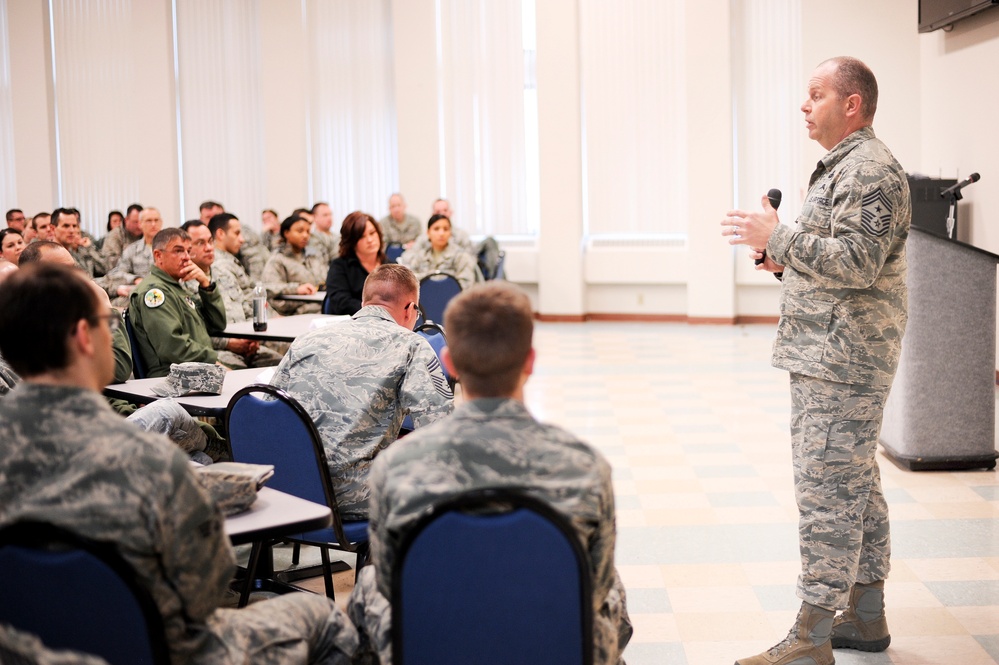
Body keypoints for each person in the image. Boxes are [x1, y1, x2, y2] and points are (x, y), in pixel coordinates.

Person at [0, 263, 359, 664]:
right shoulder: (146, 460)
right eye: (109, 322)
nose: (115, 332)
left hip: (32, 649)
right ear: (84, 336)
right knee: (324, 617)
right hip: (163, 650)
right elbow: (208, 585)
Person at [721, 56, 909, 665]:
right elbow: (833, 255)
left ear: (851, 104)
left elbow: (857, 263)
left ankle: (812, 636)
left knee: (827, 488)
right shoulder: (841, 167)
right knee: (855, 481)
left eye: (816, 94)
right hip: (831, 349)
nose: (805, 105)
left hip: (845, 359)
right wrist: (783, 261)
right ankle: (863, 612)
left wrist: (776, 237)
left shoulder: (872, 171)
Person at [347, 282, 633, 665]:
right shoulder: (585, 468)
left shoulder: (395, 467)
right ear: (530, 361)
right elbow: (594, 592)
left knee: (366, 585)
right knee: (612, 587)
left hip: (436, 646)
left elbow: (389, 582)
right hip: (547, 647)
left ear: (449, 363)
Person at [270, 264, 453, 519]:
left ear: (364, 302)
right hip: (351, 494)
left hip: (289, 488)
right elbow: (439, 430)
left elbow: (270, 408)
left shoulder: (307, 340)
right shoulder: (411, 346)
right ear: (411, 309)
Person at [128, 227, 227, 378]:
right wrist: (213, 360)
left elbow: (217, 324)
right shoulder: (155, 292)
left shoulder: (174, 287)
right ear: (158, 255)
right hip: (174, 377)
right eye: (178, 251)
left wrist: (206, 285)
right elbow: (172, 347)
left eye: (188, 251)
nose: (187, 257)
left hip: (198, 368)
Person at [261, 214, 327, 316]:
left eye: (308, 232)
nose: (305, 235)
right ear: (286, 233)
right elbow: (269, 288)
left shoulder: (313, 257)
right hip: (295, 314)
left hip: (320, 309)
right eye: (300, 231)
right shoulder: (278, 259)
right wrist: (296, 289)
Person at [324, 211, 385, 315]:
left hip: (388, 325)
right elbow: (342, 303)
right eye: (362, 236)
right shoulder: (339, 266)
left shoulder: (391, 266)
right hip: (352, 324)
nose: (370, 240)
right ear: (351, 241)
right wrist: (376, 312)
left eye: (372, 233)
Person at [398, 214, 480, 290]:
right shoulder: (421, 256)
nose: (441, 233)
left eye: (445, 229)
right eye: (436, 229)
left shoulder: (461, 257)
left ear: (450, 233)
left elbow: (465, 285)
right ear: (428, 233)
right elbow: (409, 281)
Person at [52, 207, 107, 278]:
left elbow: (104, 269)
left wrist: (89, 248)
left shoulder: (75, 251)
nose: (72, 231)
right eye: (66, 226)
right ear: (53, 229)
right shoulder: (51, 255)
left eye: (74, 226)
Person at [101, 203, 143, 270]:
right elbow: (110, 264)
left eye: (141, 222)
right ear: (126, 220)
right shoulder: (115, 235)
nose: (139, 226)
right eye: (135, 222)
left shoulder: (146, 234)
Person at [308, 202, 340, 267]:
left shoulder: (338, 237)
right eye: (325, 215)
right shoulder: (312, 239)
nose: (329, 218)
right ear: (314, 217)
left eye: (330, 214)